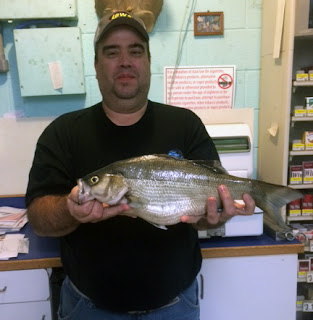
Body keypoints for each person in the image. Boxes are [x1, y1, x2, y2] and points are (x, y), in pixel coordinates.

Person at [26, 11, 255, 320]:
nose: (125, 61)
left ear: (148, 62)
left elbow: (203, 217)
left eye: (135, 51)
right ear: (96, 66)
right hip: (88, 309)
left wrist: (216, 218)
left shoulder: (185, 125)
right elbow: (39, 219)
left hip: (175, 308)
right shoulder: (63, 133)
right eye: (111, 52)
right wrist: (69, 210)